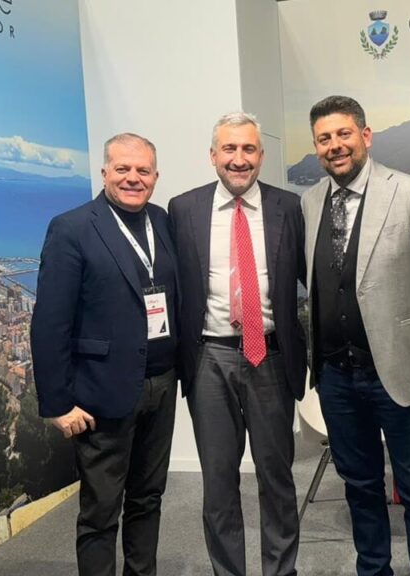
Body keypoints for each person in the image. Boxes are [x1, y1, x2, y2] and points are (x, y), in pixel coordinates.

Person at [300, 96, 410, 576]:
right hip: (336, 377)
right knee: (360, 488)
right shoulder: (310, 202)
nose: (335, 146)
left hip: (404, 373)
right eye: (324, 139)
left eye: (344, 134)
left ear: (366, 136)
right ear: (316, 146)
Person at [30, 133, 178, 576]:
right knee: (100, 512)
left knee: (148, 498)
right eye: (123, 169)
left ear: (155, 176)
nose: (133, 178)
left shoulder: (161, 220)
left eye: (143, 170)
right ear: (104, 172)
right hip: (101, 393)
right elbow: (50, 323)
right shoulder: (72, 228)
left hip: (162, 385)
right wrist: (57, 404)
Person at [168, 112, 306, 576]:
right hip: (209, 357)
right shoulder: (183, 209)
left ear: (261, 156)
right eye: (229, 149)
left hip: (271, 354)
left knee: (277, 477)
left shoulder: (289, 207)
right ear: (213, 156)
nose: (239, 159)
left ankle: (280, 571)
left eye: (248, 149)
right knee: (218, 482)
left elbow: (314, 279)